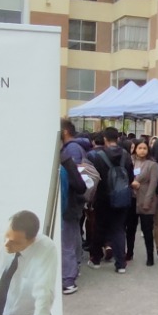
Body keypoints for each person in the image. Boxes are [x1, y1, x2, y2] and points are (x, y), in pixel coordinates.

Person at [89, 127, 132, 274]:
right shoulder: (126, 155)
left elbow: (94, 178)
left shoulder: (98, 156)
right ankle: (120, 264)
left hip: (103, 197)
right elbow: (131, 177)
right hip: (122, 197)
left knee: (99, 227)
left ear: (105, 139)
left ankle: (96, 259)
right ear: (118, 138)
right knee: (119, 229)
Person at [58, 119, 88, 295]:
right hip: (73, 202)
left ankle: (69, 279)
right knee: (72, 236)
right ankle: (74, 268)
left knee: (67, 240)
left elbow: (76, 181)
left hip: (68, 203)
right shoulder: (73, 150)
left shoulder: (68, 153)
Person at [129, 138, 158, 267]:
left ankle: (150, 255)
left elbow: (153, 185)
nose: (142, 151)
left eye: (144, 148)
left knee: (147, 229)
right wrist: (131, 183)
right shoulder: (130, 162)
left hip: (146, 199)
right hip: (131, 199)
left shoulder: (152, 164)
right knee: (130, 228)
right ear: (135, 149)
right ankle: (129, 252)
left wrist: (147, 202)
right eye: (139, 148)